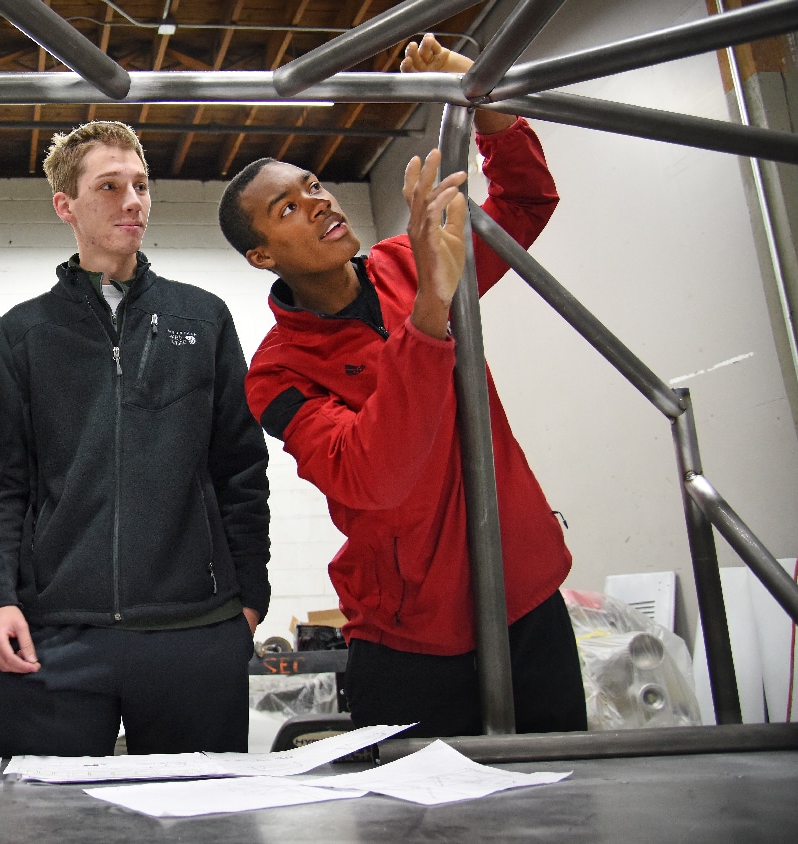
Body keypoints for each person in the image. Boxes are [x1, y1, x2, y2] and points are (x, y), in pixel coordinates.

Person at [221, 35, 587, 738]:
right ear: (262, 255)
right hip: (409, 635)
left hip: (523, 593)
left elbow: (528, 200)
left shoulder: (412, 261)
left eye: (315, 187)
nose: (319, 204)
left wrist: (479, 102)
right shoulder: (275, 373)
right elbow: (374, 475)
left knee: (558, 802)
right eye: (288, 209)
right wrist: (429, 313)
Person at [0, 120, 271, 757]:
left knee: (201, 827)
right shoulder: (25, 332)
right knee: (46, 827)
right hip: (54, 639)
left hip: (195, 632)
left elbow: (241, 469)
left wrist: (249, 600)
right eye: (109, 186)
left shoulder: (203, 317)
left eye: (140, 185)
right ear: (66, 205)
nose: (133, 201)